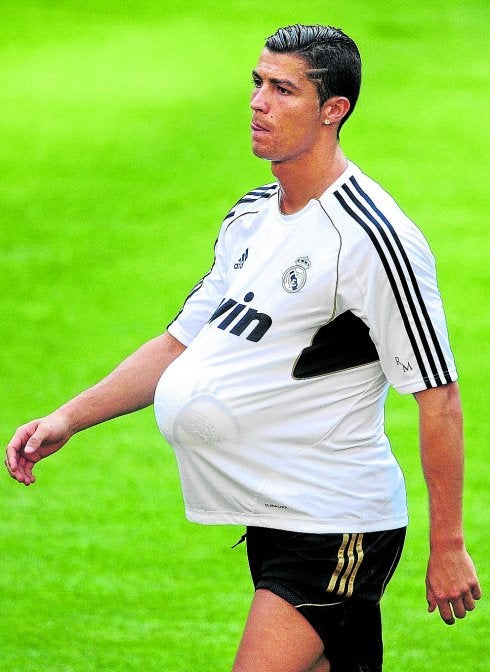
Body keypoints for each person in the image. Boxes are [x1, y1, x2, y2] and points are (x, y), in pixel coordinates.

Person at [5, 24, 481, 672]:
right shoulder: (251, 216)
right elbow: (179, 344)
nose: (259, 102)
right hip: (273, 514)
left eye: (283, 90)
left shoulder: (372, 239)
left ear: (333, 110)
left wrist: (448, 544)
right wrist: (69, 418)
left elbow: (438, 395)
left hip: (333, 521)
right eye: (258, 83)